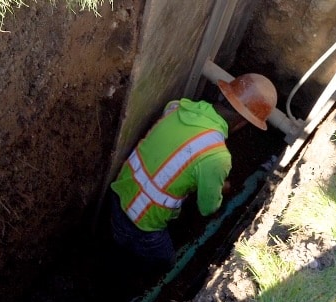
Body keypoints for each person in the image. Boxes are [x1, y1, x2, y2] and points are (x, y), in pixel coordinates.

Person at [109, 73, 278, 273]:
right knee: (165, 263)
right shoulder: (217, 157)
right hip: (142, 224)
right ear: (242, 123)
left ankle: (117, 255)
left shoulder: (178, 106)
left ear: (223, 95)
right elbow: (207, 208)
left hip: (118, 193)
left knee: (118, 242)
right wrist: (221, 188)